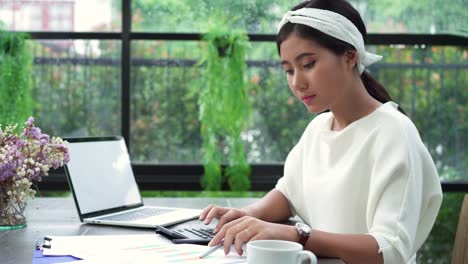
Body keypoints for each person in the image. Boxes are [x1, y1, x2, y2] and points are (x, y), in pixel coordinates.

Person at [199, 0, 443, 263]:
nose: (297, 82)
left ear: (350, 56)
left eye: (308, 64)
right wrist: (248, 215)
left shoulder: (394, 133)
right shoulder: (319, 128)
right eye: (289, 70)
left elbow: (390, 249)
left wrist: (297, 235)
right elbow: (289, 194)